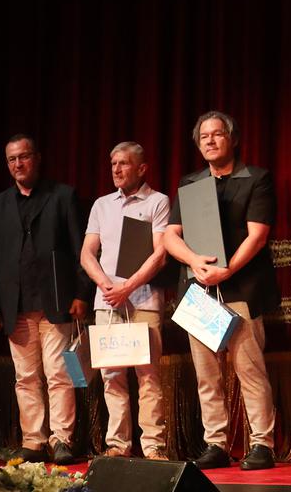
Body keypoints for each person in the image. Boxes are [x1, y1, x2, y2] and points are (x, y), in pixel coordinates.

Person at [162, 110, 278, 471]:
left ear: (233, 139)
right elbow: (170, 236)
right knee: (206, 375)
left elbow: (257, 235)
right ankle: (215, 442)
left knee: (250, 370)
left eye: (217, 135)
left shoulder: (256, 178)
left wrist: (227, 271)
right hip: (199, 293)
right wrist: (195, 263)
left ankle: (262, 443)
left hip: (241, 287)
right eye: (204, 137)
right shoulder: (191, 183)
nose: (210, 141)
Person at [0, 134, 91, 464]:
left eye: (24, 156)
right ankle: (34, 439)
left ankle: (61, 439)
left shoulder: (62, 196)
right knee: (26, 378)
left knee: (59, 374)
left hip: (55, 301)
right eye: (12, 159)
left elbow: (80, 250)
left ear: (37, 158)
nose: (18, 163)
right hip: (16, 306)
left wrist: (81, 293)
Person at [80, 141, 171, 460]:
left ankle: (153, 445)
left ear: (142, 168)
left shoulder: (157, 201)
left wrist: (127, 287)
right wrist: (107, 285)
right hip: (107, 301)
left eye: (124, 163)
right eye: (113, 164)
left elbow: (160, 255)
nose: (117, 169)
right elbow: (87, 253)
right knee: (112, 375)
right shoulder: (102, 205)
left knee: (148, 375)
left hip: (143, 300)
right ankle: (118, 443)